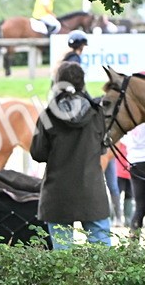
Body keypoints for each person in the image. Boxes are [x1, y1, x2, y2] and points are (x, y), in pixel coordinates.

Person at [31, 62, 112, 249]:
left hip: (58, 194)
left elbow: (38, 153)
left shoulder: (48, 116)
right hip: (92, 192)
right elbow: (102, 148)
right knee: (104, 257)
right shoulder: (97, 113)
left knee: (62, 259)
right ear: (82, 83)